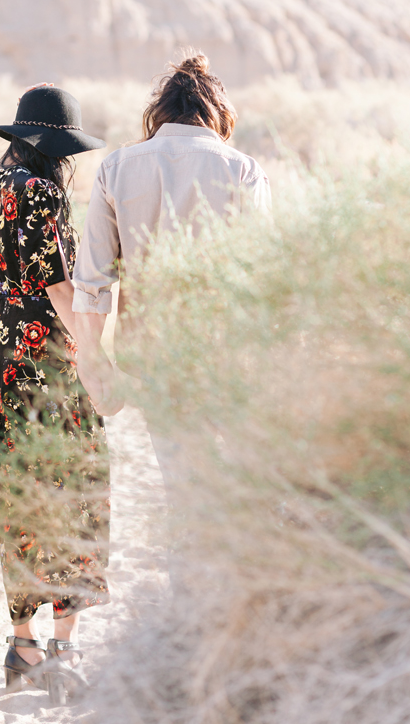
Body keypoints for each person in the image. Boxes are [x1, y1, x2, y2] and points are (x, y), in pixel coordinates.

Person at [0, 84, 110, 704]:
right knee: (77, 490)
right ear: (56, 149)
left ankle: (21, 645)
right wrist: (99, 360)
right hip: (49, 362)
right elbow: (57, 290)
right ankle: (64, 647)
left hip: (0, 356)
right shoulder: (46, 195)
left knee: (16, 494)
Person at [71, 53, 271, 472]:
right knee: (235, 480)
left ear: (159, 113)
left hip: (149, 354)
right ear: (218, 115)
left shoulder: (117, 167)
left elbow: (93, 280)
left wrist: (91, 357)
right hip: (224, 354)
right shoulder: (242, 171)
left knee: (178, 476)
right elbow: (263, 273)